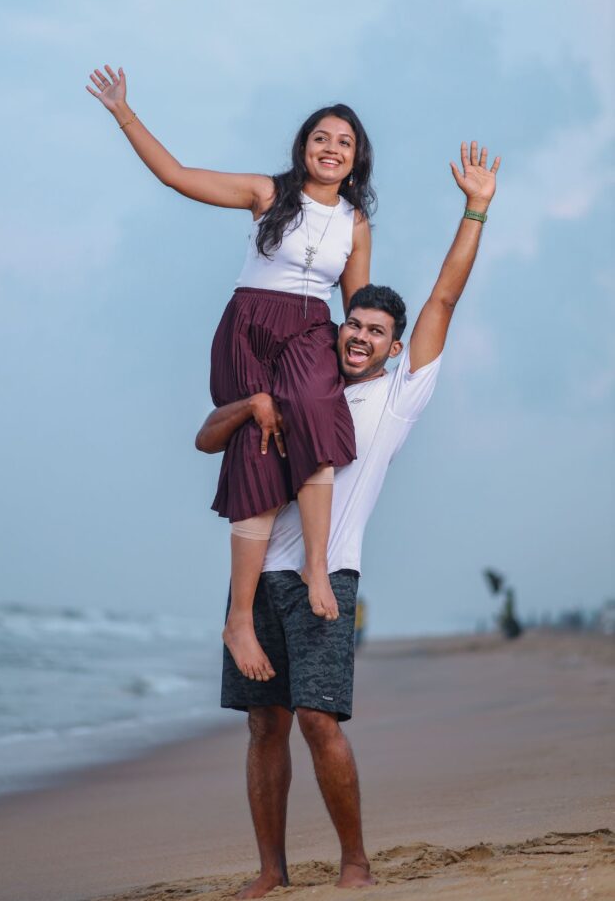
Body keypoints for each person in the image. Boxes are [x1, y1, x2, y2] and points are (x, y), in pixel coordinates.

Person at [195, 140, 500, 894]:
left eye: (375, 333)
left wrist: (476, 210)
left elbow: (443, 300)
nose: (359, 336)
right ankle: (271, 872)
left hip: (328, 574)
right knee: (263, 724)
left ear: (394, 350)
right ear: (339, 328)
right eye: (352, 325)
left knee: (316, 720)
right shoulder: (308, 383)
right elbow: (213, 435)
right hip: (258, 577)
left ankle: (356, 863)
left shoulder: (396, 398)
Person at [86, 67, 375, 684]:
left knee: (317, 417)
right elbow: (177, 175)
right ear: (304, 149)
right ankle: (238, 618)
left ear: (354, 162)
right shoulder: (267, 193)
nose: (330, 148)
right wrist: (123, 113)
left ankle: (316, 564)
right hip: (249, 325)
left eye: (343, 143)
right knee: (257, 448)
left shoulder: (355, 224)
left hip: (309, 330)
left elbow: (356, 307)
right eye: (321, 137)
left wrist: (377, 355)